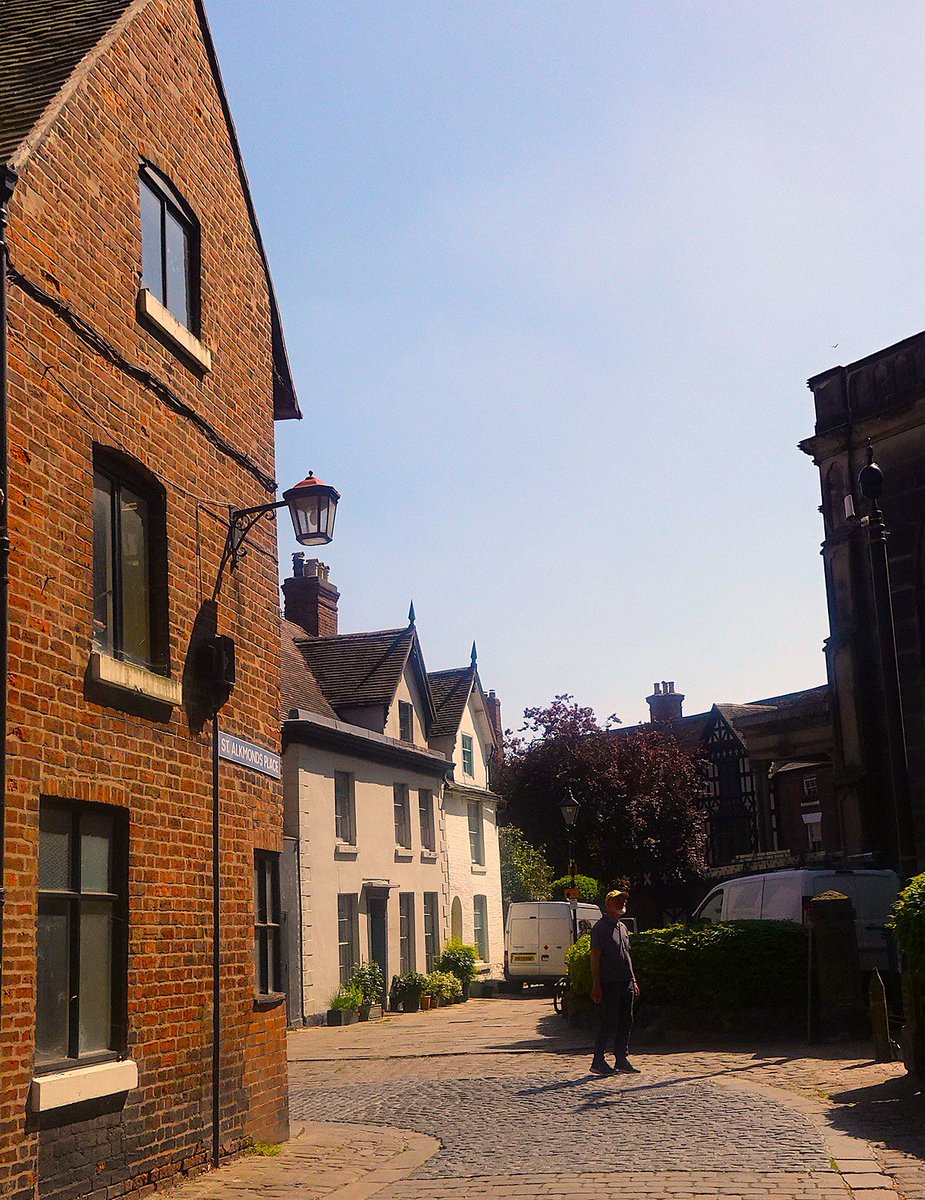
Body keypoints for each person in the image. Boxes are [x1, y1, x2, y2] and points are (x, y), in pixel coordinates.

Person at [589, 888, 640, 1075]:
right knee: (609, 1020)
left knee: (627, 1019)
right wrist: (596, 983)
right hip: (609, 982)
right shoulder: (600, 928)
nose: (622, 904)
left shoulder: (623, 927)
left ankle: (621, 1058)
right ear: (608, 904)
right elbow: (595, 957)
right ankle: (598, 1060)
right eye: (618, 901)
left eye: (623, 901)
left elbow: (627, 955)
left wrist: (633, 979)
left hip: (625, 980)